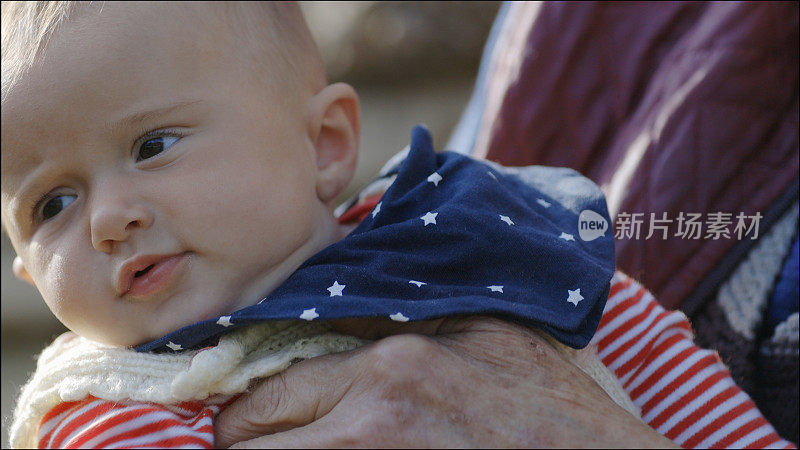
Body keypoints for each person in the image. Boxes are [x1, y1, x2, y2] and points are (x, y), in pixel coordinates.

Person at [1, 2, 792, 449]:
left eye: (154, 146)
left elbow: (661, 372)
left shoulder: (477, 245)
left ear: (326, 146)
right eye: (52, 205)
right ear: (27, 272)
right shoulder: (115, 409)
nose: (106, 219)